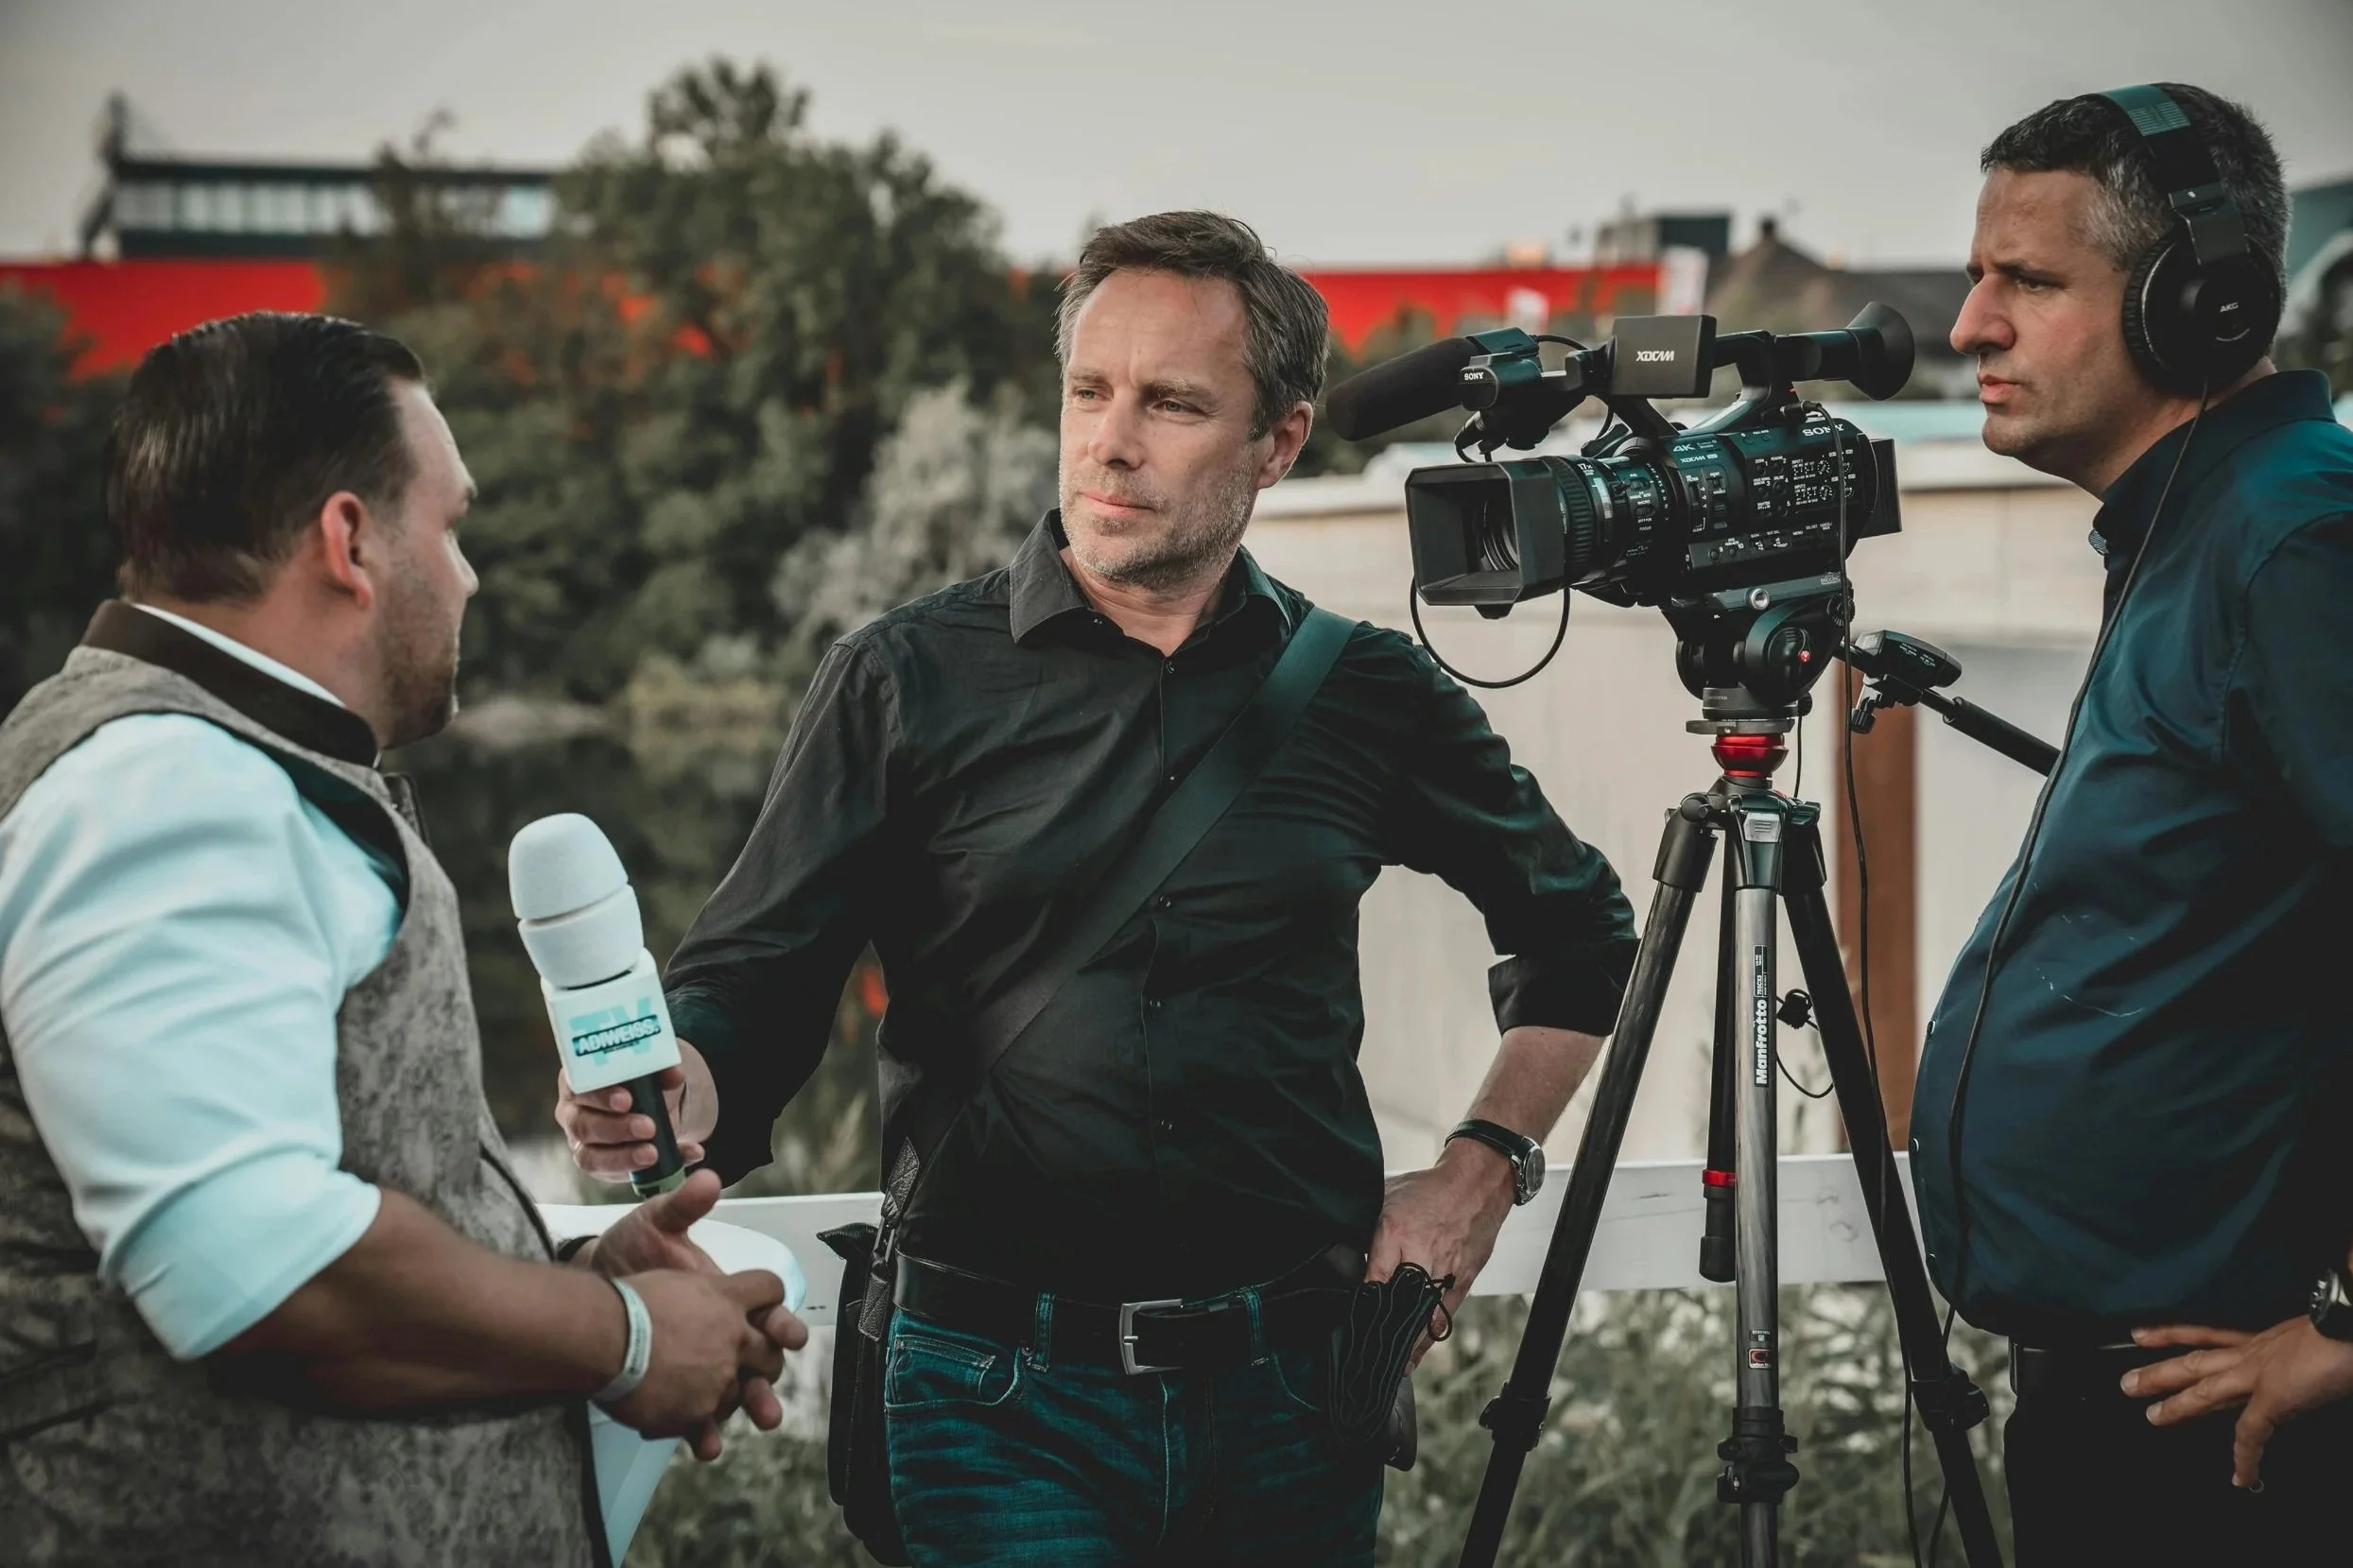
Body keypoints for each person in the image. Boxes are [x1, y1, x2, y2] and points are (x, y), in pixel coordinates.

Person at [558, 210, 1639, 1566]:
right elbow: (749, 986)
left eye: (1174, 403)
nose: (1111, 442)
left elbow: (1584, 933)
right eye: (1090, 390)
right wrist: (672, 1085)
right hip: (997, 1398)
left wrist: (1481, 1168)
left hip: (1298, 1397)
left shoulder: (1368, 694)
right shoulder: (904, 678)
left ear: (1279, 441)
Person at [0, 312, 807, 1567]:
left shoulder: (241, 771)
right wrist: (624, 1335)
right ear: (349, 539)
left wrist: (569, 1266)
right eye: (453, 522)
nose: (471, 572)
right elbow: (249, 1260)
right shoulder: (164, 787)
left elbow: (314, 1189)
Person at [1909, 85, 2353, 1563]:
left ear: (2200, 305)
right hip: (2130, 1400)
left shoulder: (2294, 540)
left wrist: (2346, 1325)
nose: (1972, 325)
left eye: (2026, 282)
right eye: (1980, 277)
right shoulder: (2196, 527)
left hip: (2231, 1427)